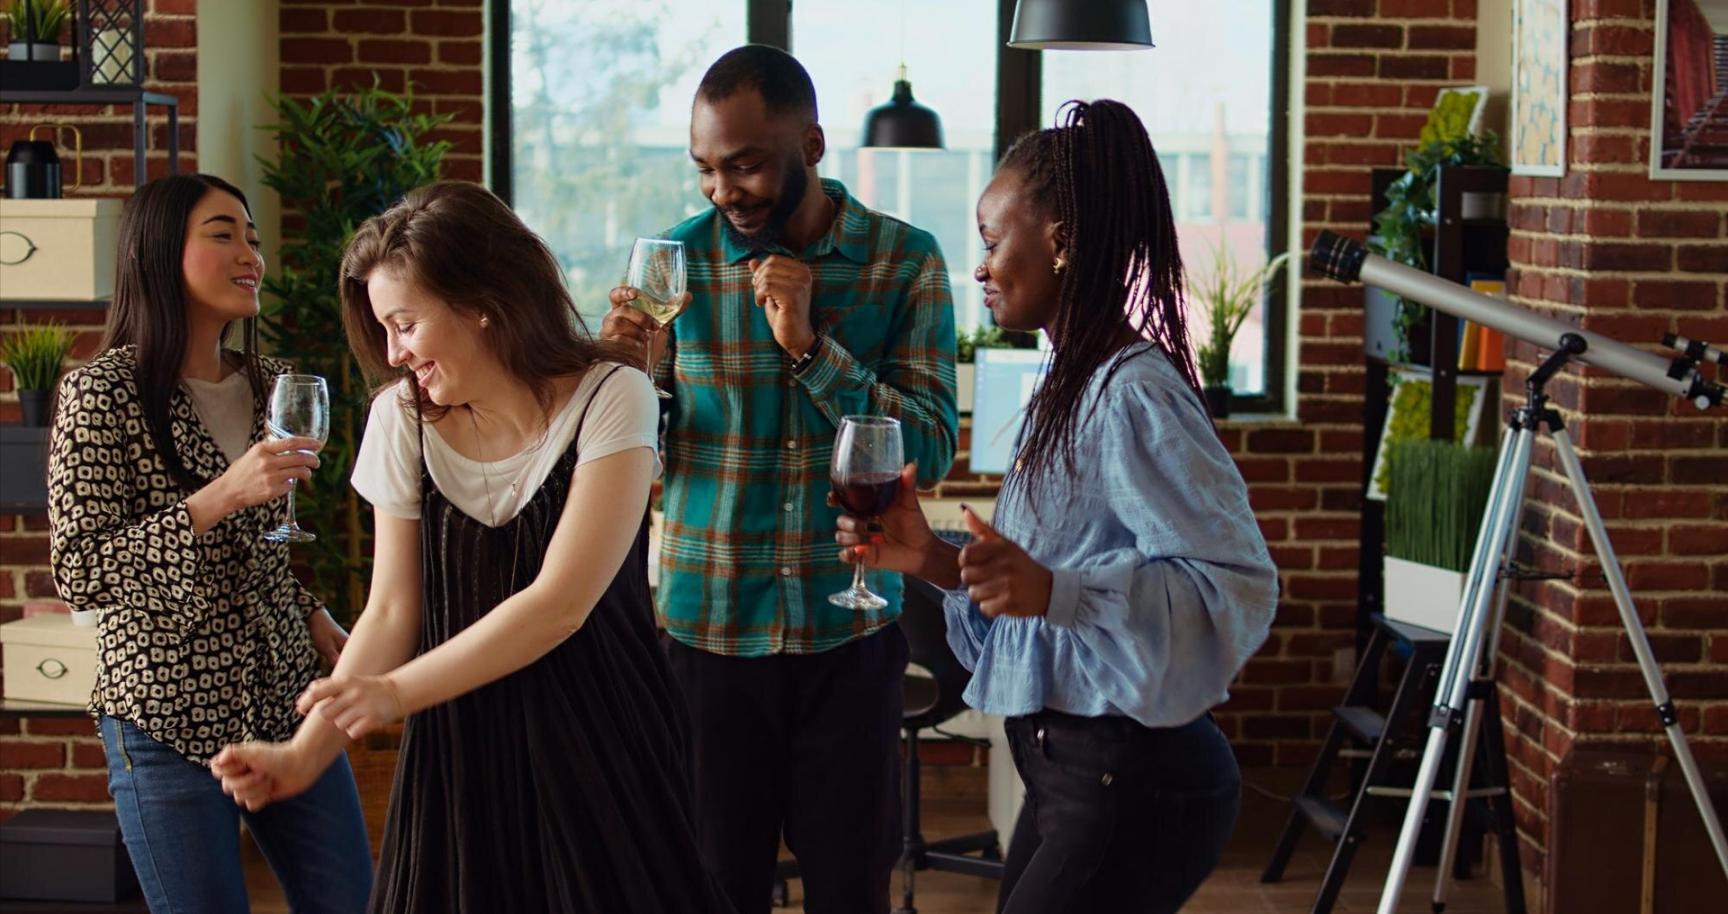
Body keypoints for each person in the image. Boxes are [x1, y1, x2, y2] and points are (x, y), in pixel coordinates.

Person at [209, 181, 733, 914]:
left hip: (604, 737)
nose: (394, 353)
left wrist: (392, 694)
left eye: (405, 324)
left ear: (482, 302)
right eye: (383, 329)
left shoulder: (614, 396)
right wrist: (304, 753)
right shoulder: (402, 418)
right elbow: (392, 609)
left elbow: (560, 605)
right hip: (457, 746)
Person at [833, 100, 1279, 914]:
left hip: (1137, 778)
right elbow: (1026, 604)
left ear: (1061, 243)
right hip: (1063, 767)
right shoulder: (1068, 382)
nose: (981, 266)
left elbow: (1237, 588)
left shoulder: (1133, 392)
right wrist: (924, 556)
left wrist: (1058, 592)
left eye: (993, 242)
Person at [600, 45, 958, 914]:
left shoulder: (902, 261)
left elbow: (932, 449)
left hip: (852, 633)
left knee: (849, 890)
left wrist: (809, 348)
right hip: (706, 631)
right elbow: (634, 450)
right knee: (714, 890)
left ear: (814, 145)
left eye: (748, 164)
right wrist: (623, 381)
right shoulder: (671, 265)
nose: (724, 191)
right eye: (707, 170)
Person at [47, 173, 372, 913]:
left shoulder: (273, 384)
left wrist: (309, 608)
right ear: (159, 253)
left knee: (354, 902)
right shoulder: (102, 394)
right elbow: (80, 569)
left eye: (253, 239)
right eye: (223, 234)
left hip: (287, 699)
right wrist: (222, 494)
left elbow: (257, 551)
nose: (250, 254)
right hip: (164, 716)